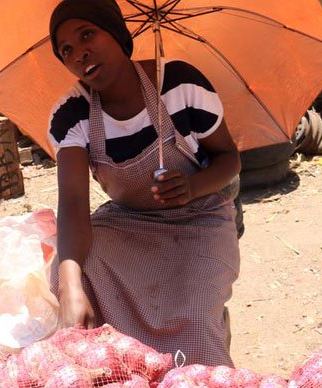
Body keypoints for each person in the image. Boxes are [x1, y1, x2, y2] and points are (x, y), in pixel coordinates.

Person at [48, 0, 241, 366]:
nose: (79, 53)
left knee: (196, 321)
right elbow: (73, 203)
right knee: (75, 273)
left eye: (88, 34)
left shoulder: (180, 84)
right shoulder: (70, 114)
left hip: (199, 216)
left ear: (118, 35)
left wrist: (192, 187)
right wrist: (70, 285)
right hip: (128, 221)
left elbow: (229, 159)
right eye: (66, 50)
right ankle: (125, 386)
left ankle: (208, 346)